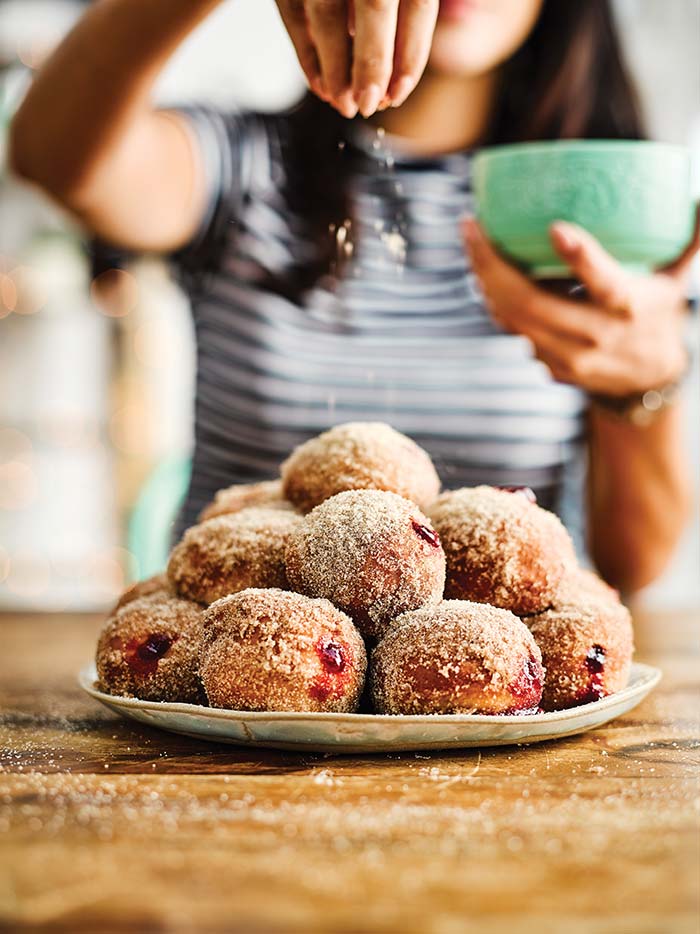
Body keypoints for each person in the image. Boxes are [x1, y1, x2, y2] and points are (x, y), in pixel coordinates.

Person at [9, 0, 698, 593]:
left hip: (495, 702)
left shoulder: (612, 208)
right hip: (236, 688)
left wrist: (645, 385)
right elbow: (48, 155)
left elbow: (632, 565)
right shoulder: (241, 166)